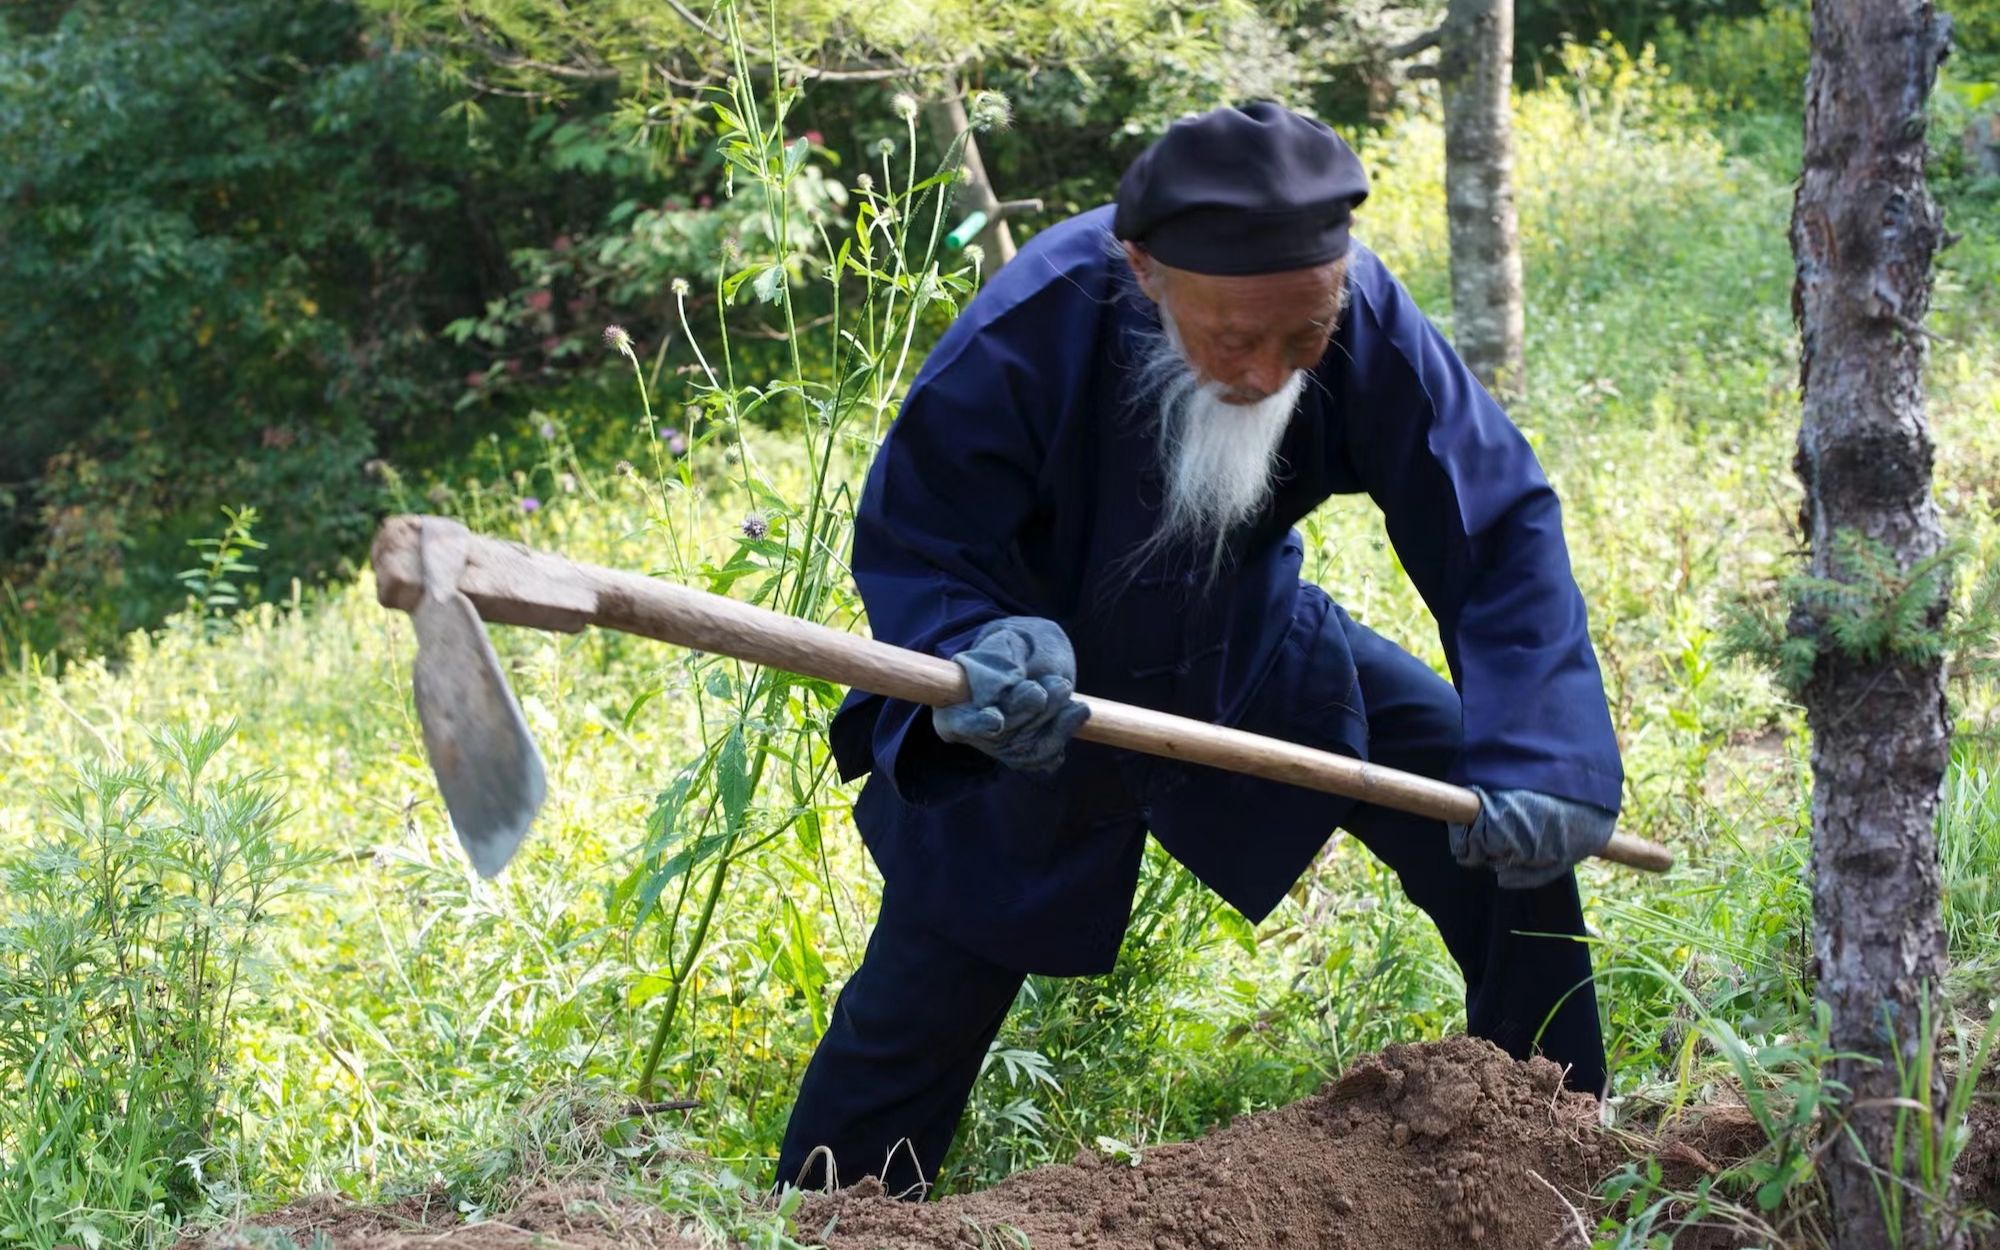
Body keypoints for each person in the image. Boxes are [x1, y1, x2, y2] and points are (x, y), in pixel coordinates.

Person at [775, 100, 1624, 1199]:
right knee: (921, 996)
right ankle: (827, 1216)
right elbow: (920, 531)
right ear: (1143, 272)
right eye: (1233, 340)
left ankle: (1560, 1152)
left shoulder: (1356, 308)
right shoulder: (1032, 323)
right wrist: (974, 639)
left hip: (1246, 649)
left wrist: (1545, 752)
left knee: (1499, 825)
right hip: (1032, 698)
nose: (1269, 372)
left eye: (1303, 339)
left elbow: (1489, 521)